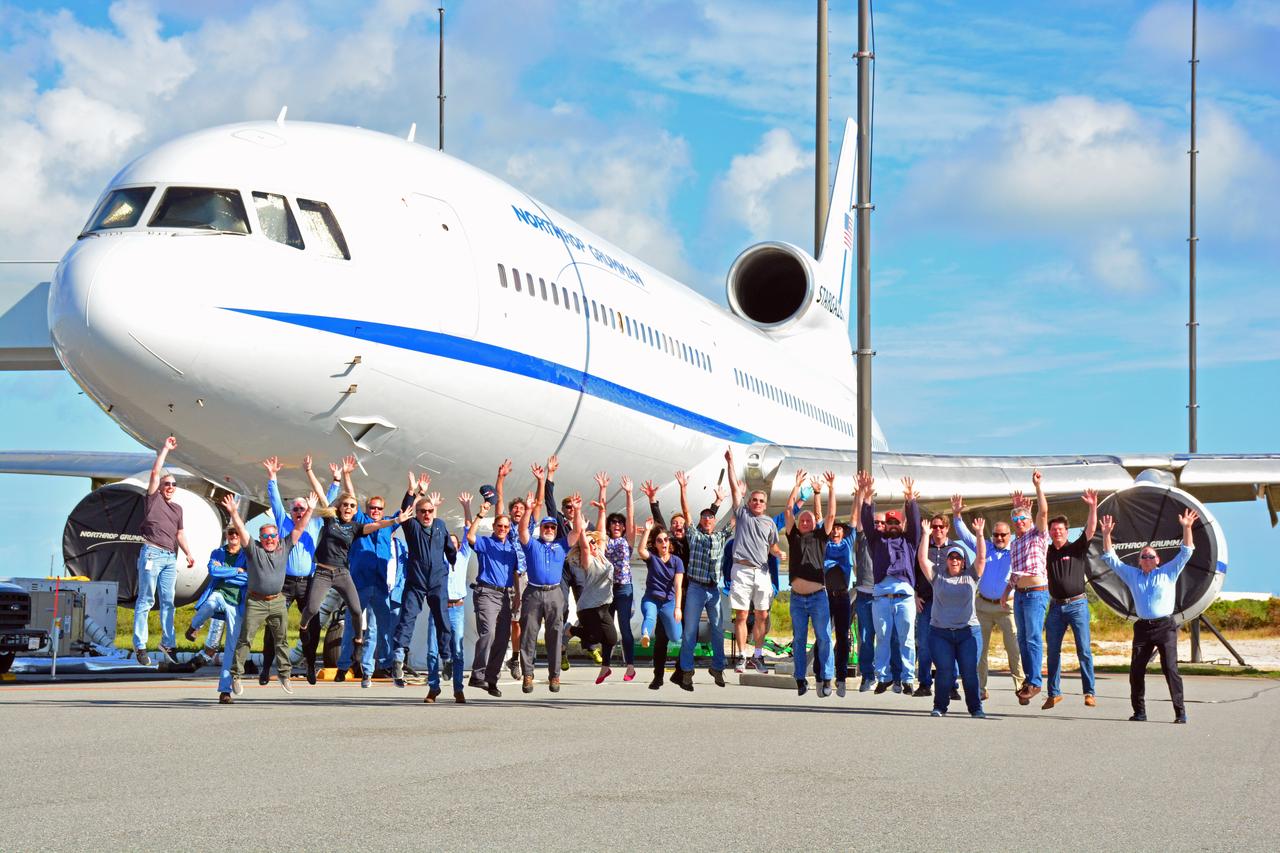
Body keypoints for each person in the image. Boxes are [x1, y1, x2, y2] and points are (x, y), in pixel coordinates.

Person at [299, 485, 406, 685]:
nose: (375, 511)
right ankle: (342, 665)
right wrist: (339, 477)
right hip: (356, 581)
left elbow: (391, 519)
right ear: (365, 510)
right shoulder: (353, 520)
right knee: (344, 622)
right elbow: (338, 499)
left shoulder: (381, 526)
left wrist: (412, 492)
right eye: (372, 508)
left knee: (378, 628)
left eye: (379, 509)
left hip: (379, 585)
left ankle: (377, 667)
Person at [1100, 509, 1198, 724]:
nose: (1146, 558)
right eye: (1143, 556)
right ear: (1139, 561)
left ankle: (1180, 712)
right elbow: (1111, 559)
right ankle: (1140, 712)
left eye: (1150, 556)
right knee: (1136, 671)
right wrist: (1106, 534)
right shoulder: (1132, 574)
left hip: (1165, 627)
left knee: (1170, 669)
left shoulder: (1168, 572)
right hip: (1143, 627)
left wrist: (1187, 527)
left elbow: (1186, 552)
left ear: (1157, 559)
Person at [220, 493, 312, 703]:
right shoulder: (253, 550)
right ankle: (235, 675)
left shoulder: (285, 546)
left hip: (278, 600)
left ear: (278, 536)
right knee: (246, 639)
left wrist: (310, 510)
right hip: (256, 601)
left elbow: (299, 528)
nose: (270, 539)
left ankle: (285, 675)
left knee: (282, 640)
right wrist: (234, 512)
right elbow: (242, 531)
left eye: (272, 536)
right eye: (265, 537)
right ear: (260, 539)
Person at [261, 455, 340, 685]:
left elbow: (327, 504)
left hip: (307, 582)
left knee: (312, 624)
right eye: (295, 508)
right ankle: (266, 666)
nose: (298, 511)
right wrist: (272, 477)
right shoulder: (283, 522)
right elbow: (275, 500)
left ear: (307, 510)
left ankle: (309, 665)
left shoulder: (314, 524)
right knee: (274, 622)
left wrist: (335, 482)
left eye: (302, 508)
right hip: (284, 582)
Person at [952, 494, 1025, 700]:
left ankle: (1021, 687)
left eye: (1003, 535)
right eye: (996, 535)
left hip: (1006, 607)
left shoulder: (1018, 549)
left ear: (1009, 535)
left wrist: (1020, 513)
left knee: (1014, 649)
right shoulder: (986, 547)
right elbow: (966, 536)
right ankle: (980, 688)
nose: (999, 538)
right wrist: (957, 515)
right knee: (979, 649)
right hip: (983, 606)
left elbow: (1029, 533)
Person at [393, 473, 458, 701]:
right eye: (423, 512)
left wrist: (452, 561)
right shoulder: (412, 527)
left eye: (430, 511)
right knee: (408, 616)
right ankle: (399, 656)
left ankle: (447, 657)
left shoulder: (440, 525)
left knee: (443, 620)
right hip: (417, 581)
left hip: (438, 582)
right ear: (417, 514)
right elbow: (405, 509)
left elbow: (450, 548)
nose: (427, 515)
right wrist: (412, 491)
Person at [133, 436, 197, 666]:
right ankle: (140, 645)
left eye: (173, 485)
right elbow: (154, 472)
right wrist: (165, 450)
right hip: (152, 553)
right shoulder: (152, 501)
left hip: (170, 557)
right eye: (166, 484)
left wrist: (188, 553)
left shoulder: (178, 509)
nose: (170, 487)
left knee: (168, 601)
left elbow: (180, 533)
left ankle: (167, 643)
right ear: (160, 488)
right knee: (146, 600)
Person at [856, 470, 921, 694]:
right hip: (882, 595)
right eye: (889, 522)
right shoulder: (877, 541)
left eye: (896, 522)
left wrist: (910, 499)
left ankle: (907, 677)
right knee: (882, 637)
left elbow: (915, 523)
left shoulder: (910, 541)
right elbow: (865, 520)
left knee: (906, 639)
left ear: (901, 525)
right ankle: (883, 677)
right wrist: (866, 496)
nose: (892, 524)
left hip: (904, 596)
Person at [916, 518, 988, 718]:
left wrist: (980, 534)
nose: (954, 560)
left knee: (969, 673)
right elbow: (922, 559)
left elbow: (981, 557)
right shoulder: (937, 575)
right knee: (945, 671)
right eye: (951, 558)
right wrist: (925, 535)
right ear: (946, 560)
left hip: (968, 633)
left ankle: (975, 708)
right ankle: (940, 706)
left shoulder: (971, 576)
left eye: (958, 558)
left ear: (963, 561)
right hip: (940, 633)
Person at [517, 465, 579, 693]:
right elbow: (523, 532)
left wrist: (579, 512)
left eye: (553, 527)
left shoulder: (561, 546)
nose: (550, 529)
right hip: (533, 592)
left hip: (554, 593)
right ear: (541, 529)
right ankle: (528, 675)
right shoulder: (532, 544)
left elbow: (576, 534)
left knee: (555, 635)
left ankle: (555, 677)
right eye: (547, 527)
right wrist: (528, 510)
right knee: (529, 635)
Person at [726, 446, 782, 674]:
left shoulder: (769, 523)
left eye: (761, 501)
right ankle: (741, 655)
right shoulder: (743, 514)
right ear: (749, 502)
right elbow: (733, 489)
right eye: (754, 500)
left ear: (765, 505)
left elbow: (773, 545)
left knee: (762, 614)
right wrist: (730, 464)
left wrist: (778, 553)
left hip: (762, 571)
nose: (757, 503)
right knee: (741, 614)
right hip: (741, 569)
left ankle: (757, 656)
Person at [1043, 490, 1099, 710]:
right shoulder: (1046, 552)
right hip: (1056, 606)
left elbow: (1091, 529)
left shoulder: (1076, 548)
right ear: (1049, 532)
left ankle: (1089, 692)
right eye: (1053, 529)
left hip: (1077, 605)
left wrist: (1092, 507)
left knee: (1083, 649)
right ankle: (1054, 693)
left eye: (1060, 529)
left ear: (1067, 531)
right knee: (1052, 651)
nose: (1057, 532)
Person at [784, 469, 837, 698]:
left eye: (809, 519)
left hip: (818, 598)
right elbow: (788, 510)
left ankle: (826, 676)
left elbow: (831, 516)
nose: (805, 521)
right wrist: (796, 486)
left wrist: (829, 489)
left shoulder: (819, 537)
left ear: (814, 523)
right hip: (797, 598)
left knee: (824, 637)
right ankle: (800, 678)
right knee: (799, 640)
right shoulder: (793, 536)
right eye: (802, 519)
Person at [675, 472, 730, 691]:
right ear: (700, 521)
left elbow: (737, 518)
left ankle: (717, 667)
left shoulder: (721, 536)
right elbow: (686, 513)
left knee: (718, 629)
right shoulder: (693, 536)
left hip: (714, 590)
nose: (707, 520)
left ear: (715, 522)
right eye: (704, 517)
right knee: (690, 631)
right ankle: (687, 671)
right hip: (696, 588)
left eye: (710, 517)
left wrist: (735, 497)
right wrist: (683, 489)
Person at [1001, 470, 1050, 705]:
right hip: (1019, 594)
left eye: (1023, 520)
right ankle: (1029, 679)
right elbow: (1014, 574)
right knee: (1022, 639)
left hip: (1036, 594)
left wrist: (1038, 487)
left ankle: (1036, 681)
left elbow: (1043, 512)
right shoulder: (1016, 543)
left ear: (1029, 522)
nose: (1019, 523)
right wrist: (1005, 595)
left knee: (1032, 637)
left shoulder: (1037, 535)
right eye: (1016, 521)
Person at [466, 494, 520, 697]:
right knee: (488, 633)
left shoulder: (512, 548)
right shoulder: (486, 543)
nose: (503, 529)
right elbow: (470, 537)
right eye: (500, 526)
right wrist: (480, 515)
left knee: (502, 638)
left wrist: (517, 595)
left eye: (506, 527)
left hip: (505, 595)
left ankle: (491, 679)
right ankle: (477, 675)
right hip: (486, 592)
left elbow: (515, 573)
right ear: (494, 527)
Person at [427, 499, 473, 704]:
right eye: (449, 544)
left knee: (457, 650)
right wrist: (434, 509)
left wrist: (467, 508)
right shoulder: (438, 558)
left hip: (456, 608)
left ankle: (458, 689)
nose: (452, 546)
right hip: (438, 608)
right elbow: (432, 533)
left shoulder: (463, 556)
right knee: (432, 650)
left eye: (455, 544)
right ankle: (433, 688)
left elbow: (469, 531)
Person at [913, 513, 961, 699]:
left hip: (948, 604)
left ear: (947, 528)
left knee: (950, 645)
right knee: (924, 645)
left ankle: (951, 685)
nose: (937, 530)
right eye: (934, 526)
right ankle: (925, 683)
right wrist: (915, 594)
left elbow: (962, 575)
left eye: (941, 526)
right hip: (926, 602)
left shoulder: (955, 548)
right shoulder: (924, 547)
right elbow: (914, 571)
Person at [185, 527, 247, 669]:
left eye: (237, 533)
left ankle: (231, 669)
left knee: (234, 635)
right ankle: (194, 627)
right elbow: (213, 571)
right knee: (210, 604)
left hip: (236, 599)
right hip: (219, 592)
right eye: (231, 533)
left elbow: (248, 578)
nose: (234, 535)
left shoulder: (246, 554)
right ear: (226, 535)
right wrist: (236, 570)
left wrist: (225, 574)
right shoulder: (218, 553)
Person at [494, 458, 533, 681]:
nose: (518, 511)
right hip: (506, 576)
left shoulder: (529, 526)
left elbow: (536, 505)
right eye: (515, 508)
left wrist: (541, 481)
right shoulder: (506, 527)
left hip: (524, 576)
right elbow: (499, 502)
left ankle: (515, 658)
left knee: (517, 621)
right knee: (501, 621)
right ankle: (497, 659)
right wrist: (501, 478)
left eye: (521, 508)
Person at [566, 518, 619, 685]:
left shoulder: (601, 554)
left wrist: (602, 509)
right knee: (594, 637)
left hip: (603, 605)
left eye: (594, 543)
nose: (594, 546)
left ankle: (605, 668)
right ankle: (571, 630)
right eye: (590, 545)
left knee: (611, 639)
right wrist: (582, 530)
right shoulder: (587, 561)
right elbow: (584, 547)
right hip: (588, 607)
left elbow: (601, 533)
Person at [597, 473, 638, 682]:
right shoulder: (604, 541)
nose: (616, 525)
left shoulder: (626, 542)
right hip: (607, 588)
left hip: (624, 588)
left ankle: (630, 666)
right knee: (607, 628)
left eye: (619, 524)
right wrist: (603, 489)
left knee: (624, 627)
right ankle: (605, 666)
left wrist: (629, 494)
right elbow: (601, 516)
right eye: (613, 523)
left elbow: (630, 518)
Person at [636, 514, 685, 686]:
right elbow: (641, 551)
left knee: (675, 636)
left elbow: (678, 585)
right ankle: (645, 636)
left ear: (669, 543)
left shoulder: (677, 561)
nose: (663, 543)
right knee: (650, 617)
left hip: (670, 603)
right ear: (655, 544)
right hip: (652, 599)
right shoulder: (652, 558)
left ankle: (674, 673)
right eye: (659, 540)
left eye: (665, 540)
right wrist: (647, 531)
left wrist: (677, 608)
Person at [823, 516, 855, 697]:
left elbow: (855, 519)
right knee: (824, 636)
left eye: (839, 529)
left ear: (843, 532)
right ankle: (825, 677)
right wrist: (819, 493)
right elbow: (820, 519)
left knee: (842, 637)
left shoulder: (847, 543)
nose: (835, 531)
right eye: (833, 528)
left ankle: (841, 678)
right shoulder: (824, 544)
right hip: (825, 596)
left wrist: (860, 495)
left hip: (842, 596)